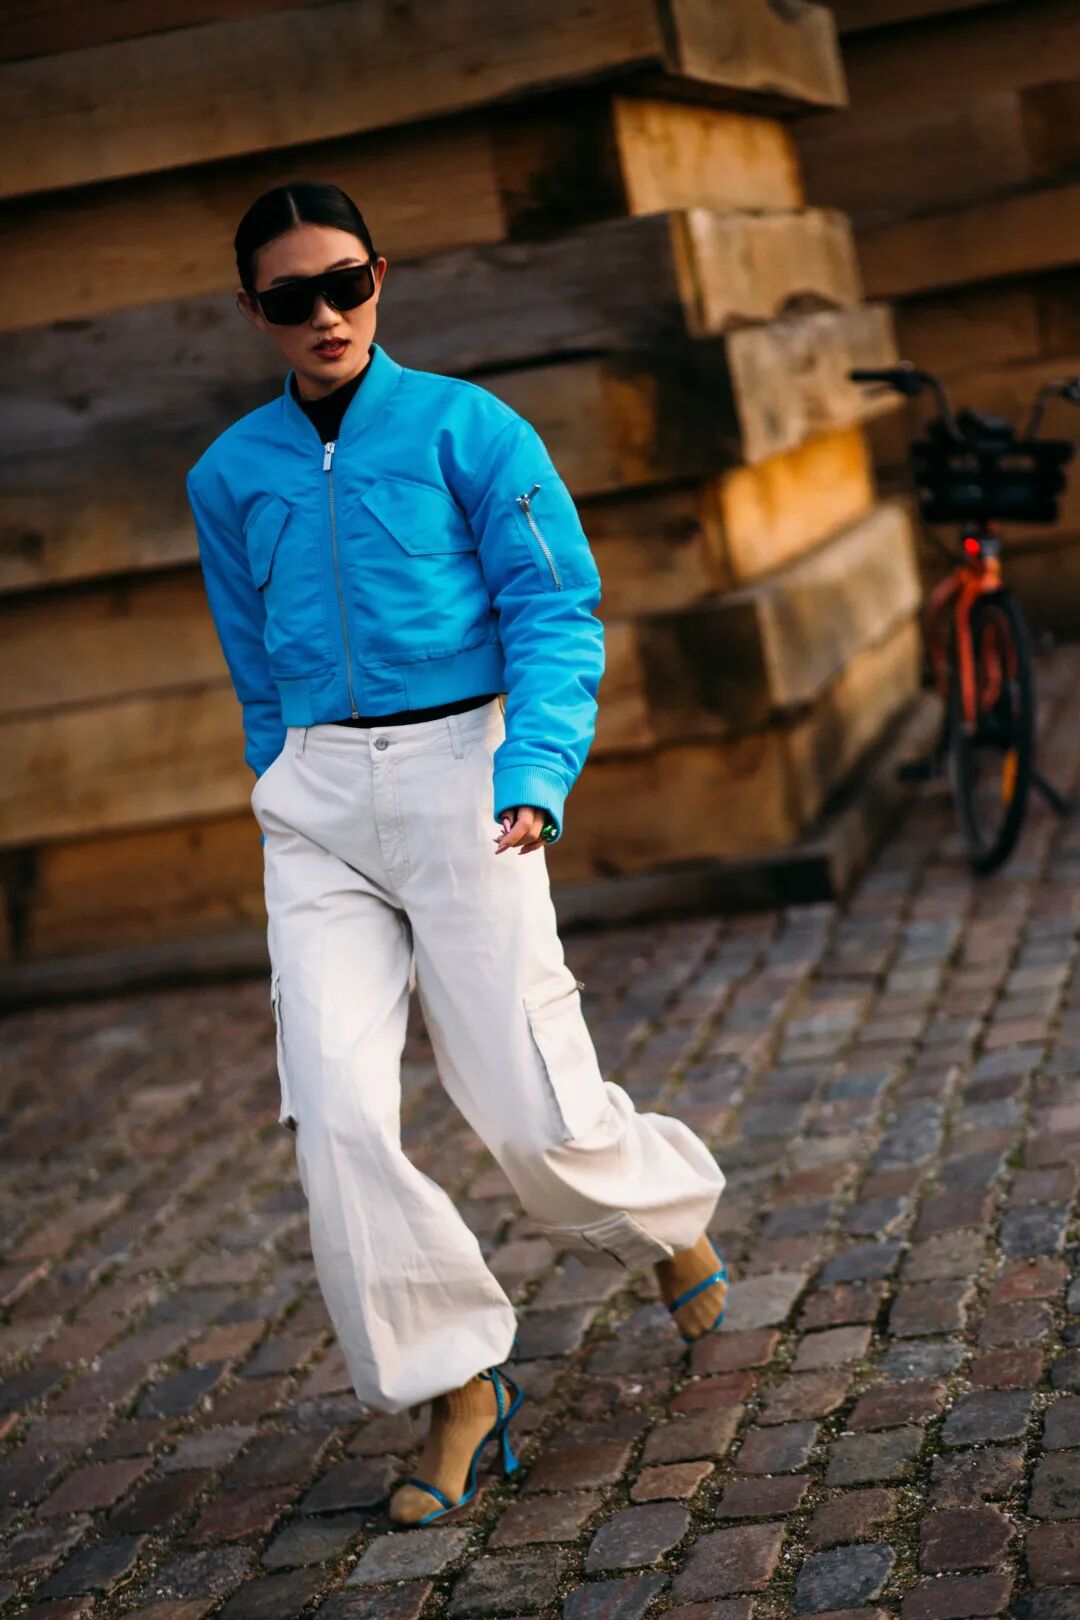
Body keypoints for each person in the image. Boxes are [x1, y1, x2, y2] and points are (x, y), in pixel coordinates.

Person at [185, 180, 728, 1527]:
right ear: (253, 310)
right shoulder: (228, 474)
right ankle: (457, 1385)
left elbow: (556, 607)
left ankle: (665, 1217)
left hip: (467, 780)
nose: (327, 315)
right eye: (294, 298)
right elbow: (252, 655)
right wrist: (278, 772)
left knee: (529, 1110)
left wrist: (532, 770)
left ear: (381, 276)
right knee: (334, 1112)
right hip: (318, 801)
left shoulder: (471, 430)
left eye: (348, 284)